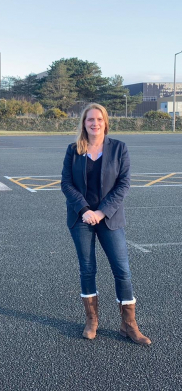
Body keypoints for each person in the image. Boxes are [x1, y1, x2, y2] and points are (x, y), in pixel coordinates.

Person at [61, 103, 151, 345]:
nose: (95, 123)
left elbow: (123, 184)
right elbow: (66, 184)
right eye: (90, 119)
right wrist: (85, 210)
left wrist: (101, 211)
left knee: (122, 270)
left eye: (99, 119)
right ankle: (92, 320)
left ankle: (129, 324)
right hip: (81, 218)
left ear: (105, 122)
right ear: (84, 123)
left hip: (110, 218)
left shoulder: (119, 148)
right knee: (87, 269)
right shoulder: (74, 150)